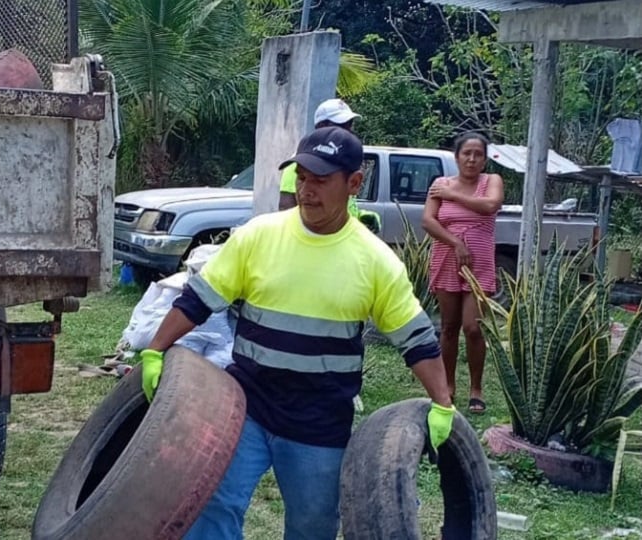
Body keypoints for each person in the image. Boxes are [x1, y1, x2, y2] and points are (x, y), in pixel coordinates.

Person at [139, 126, 454, 540]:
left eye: (321, 180)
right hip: (246, 406)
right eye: (302, 177)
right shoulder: (258, 235)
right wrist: (155, 350)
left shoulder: (376, 261)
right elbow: (198, 299)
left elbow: (416, 341)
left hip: (319, 422)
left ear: (354, 183)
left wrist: (443, 404)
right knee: (212, 505)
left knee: (312, 527)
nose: (307, 190)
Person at [421, 132, 504, 415]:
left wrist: (453, 195)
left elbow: (490, 205)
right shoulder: (439, 184)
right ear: (456, 157)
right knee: (448, 327)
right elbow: (428, 220)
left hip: (479, 264)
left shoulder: (490, 182)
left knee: (473, 327)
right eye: (466, 153)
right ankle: (448, 387)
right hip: (446, 259)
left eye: (477, 154)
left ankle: (476, 389)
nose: (471, 159)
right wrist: (455, 243)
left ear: (484, 158)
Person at [279, 98, 382, 234]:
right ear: (321, 126)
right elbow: (286, 209)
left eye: (349, 124)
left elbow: (339, 208)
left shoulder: (344, 163)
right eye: (341, 124)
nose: (348, 130)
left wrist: (360, 217)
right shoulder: (298, 165)